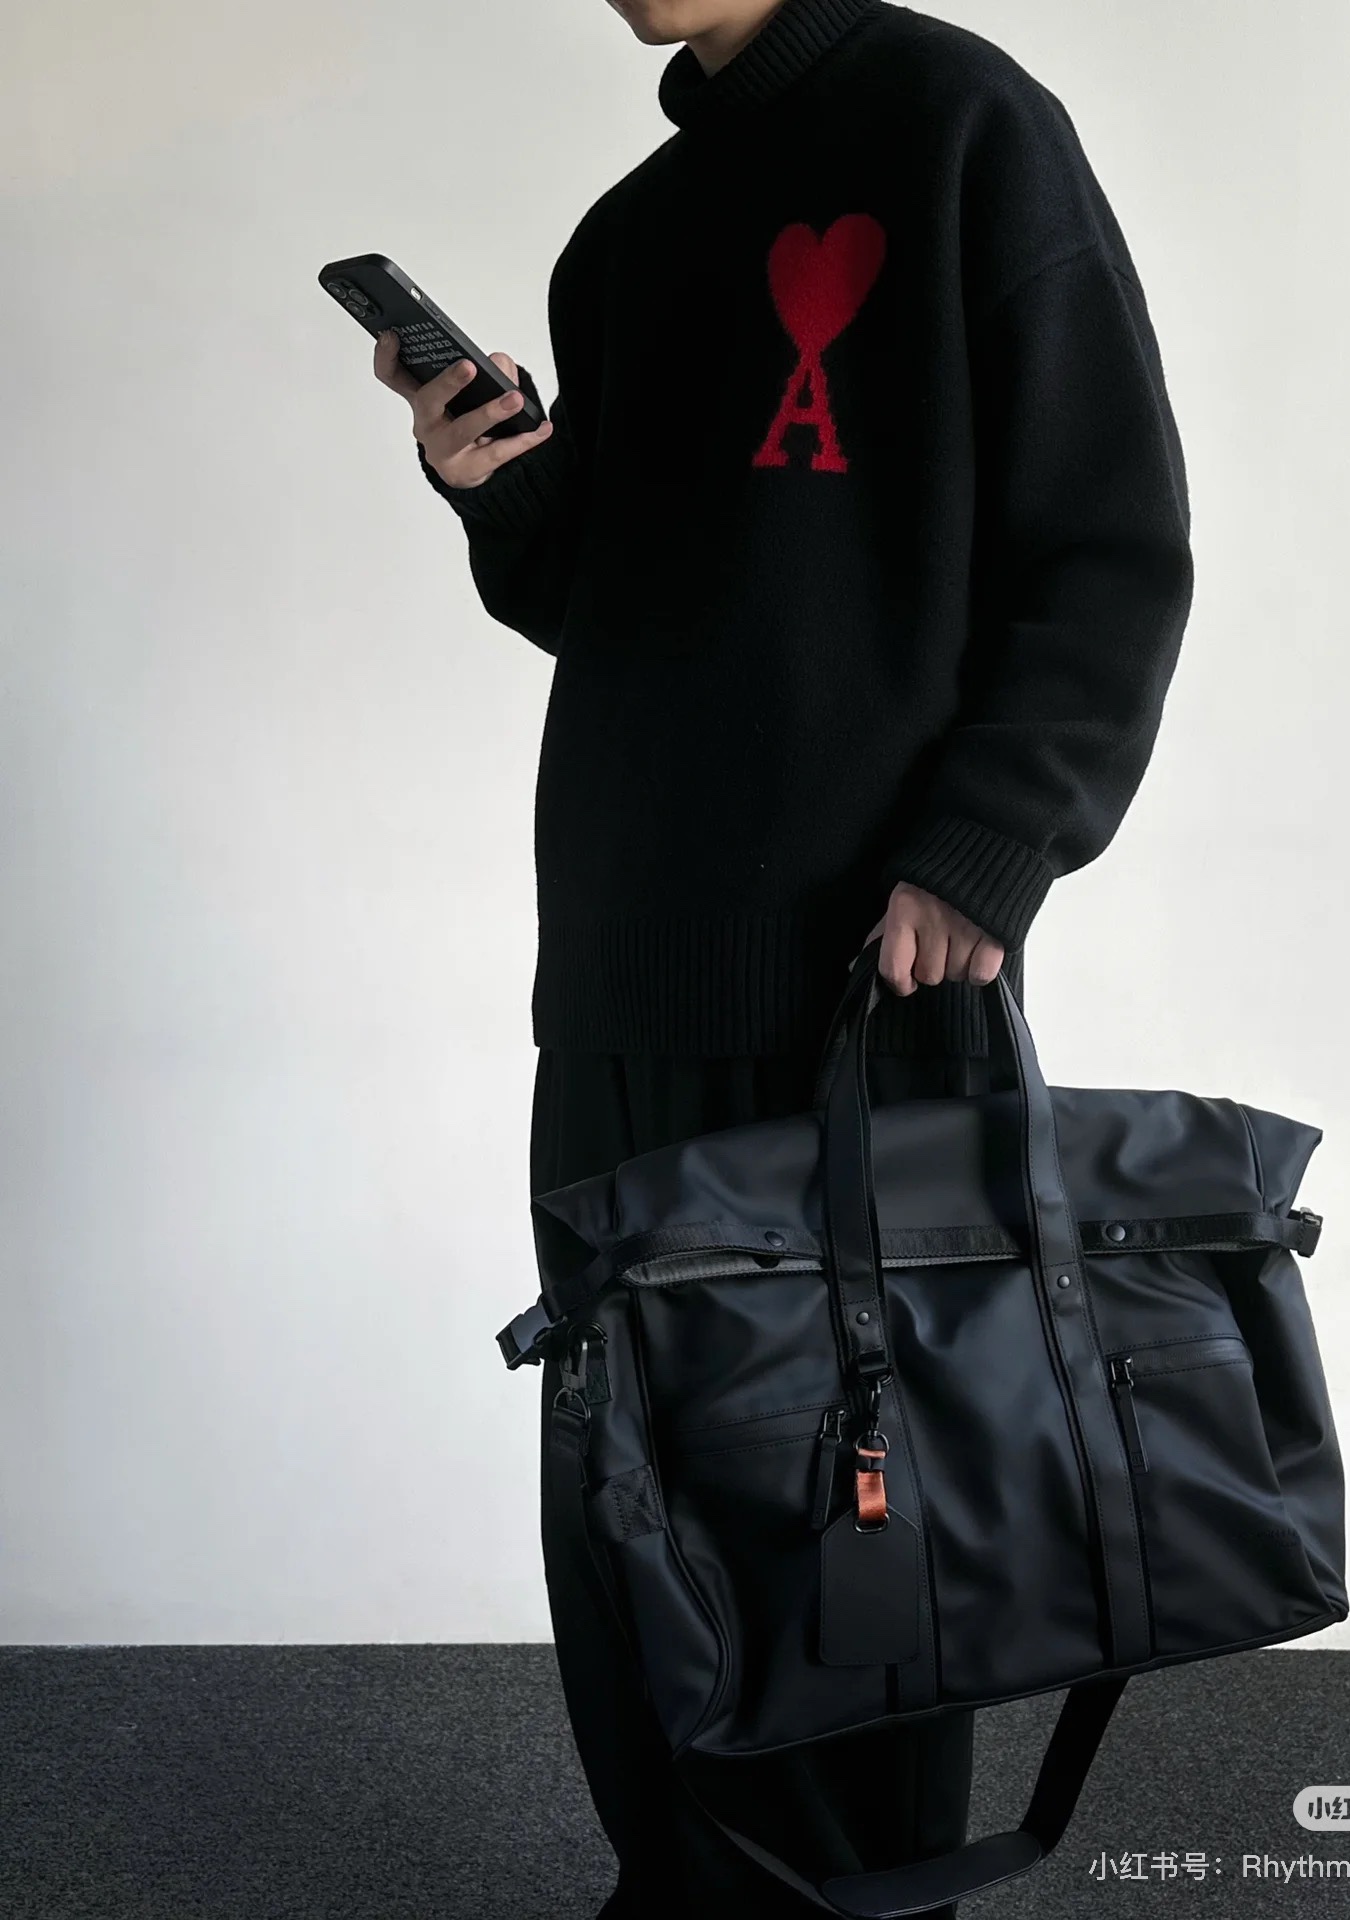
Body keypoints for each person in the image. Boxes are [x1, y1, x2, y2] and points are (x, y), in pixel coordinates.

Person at [375, 0, 1193, 1911]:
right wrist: (497, 487)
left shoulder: (960, 124)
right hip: (620, 965)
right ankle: (678, 1889)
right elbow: (630, 598)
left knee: (860, 1500)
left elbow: (1110, 539)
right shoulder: (627, 236)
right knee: (632, 1487)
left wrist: (987, 852)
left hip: (874, 977)